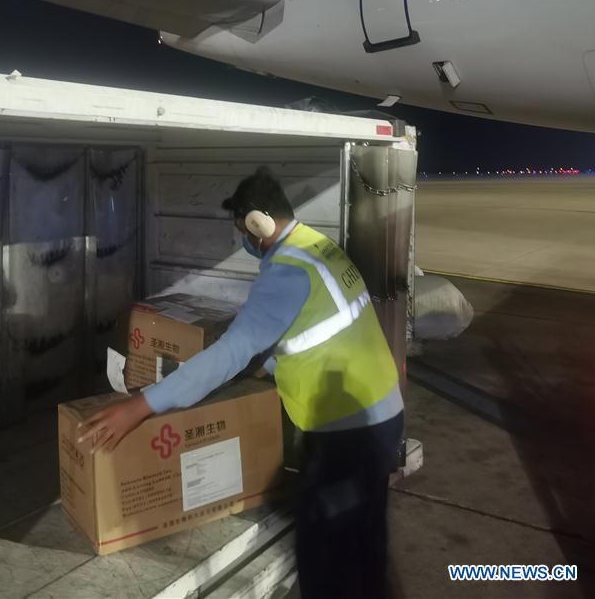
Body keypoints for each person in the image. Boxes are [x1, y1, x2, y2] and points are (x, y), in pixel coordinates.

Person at [78, 166, 403, 598]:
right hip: (383, 416)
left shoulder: (286, 271)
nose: (245, 243)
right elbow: (317, 329)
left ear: (258, 224)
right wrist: (267, 367)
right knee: (365, 549)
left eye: (243, 232)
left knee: (326, 561)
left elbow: (231, 351)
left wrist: (141, 406)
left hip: (345, 436)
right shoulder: (319, 248)